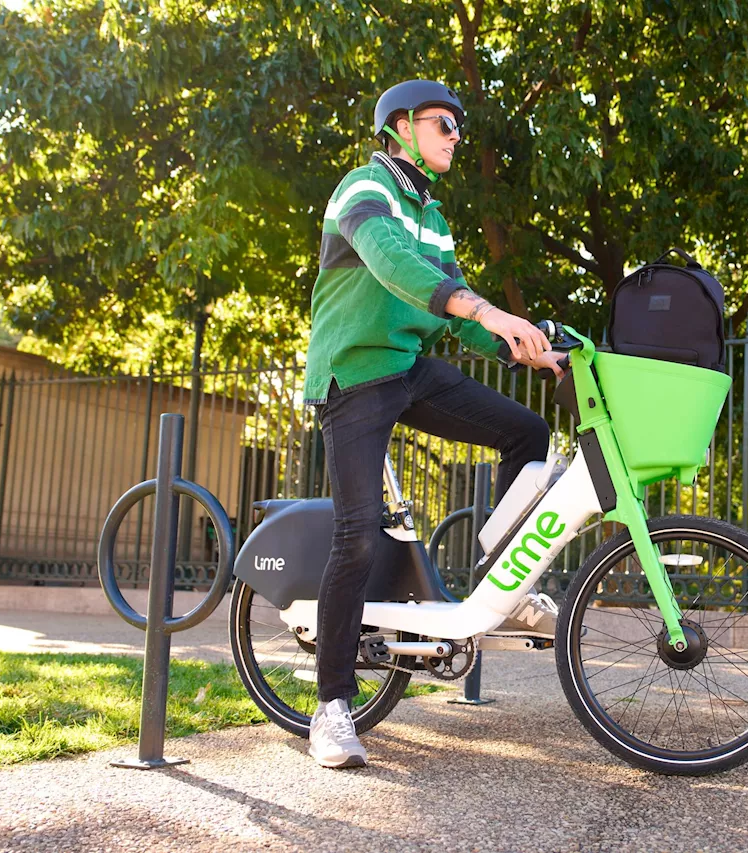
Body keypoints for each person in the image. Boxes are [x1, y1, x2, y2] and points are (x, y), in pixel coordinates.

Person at [301, 80, 565, 768]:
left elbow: (456, 301)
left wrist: (529, 345)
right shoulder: (363, 188)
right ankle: (331, 708)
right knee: (359, 532)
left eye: (457, 127)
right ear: (402, 126)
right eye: (444, 123)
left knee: (527, 434)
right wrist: (482, 312)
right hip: (355, 374)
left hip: (408, 367)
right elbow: (393, 265)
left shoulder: (435, 216)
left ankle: (503, 585)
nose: (455, 136)